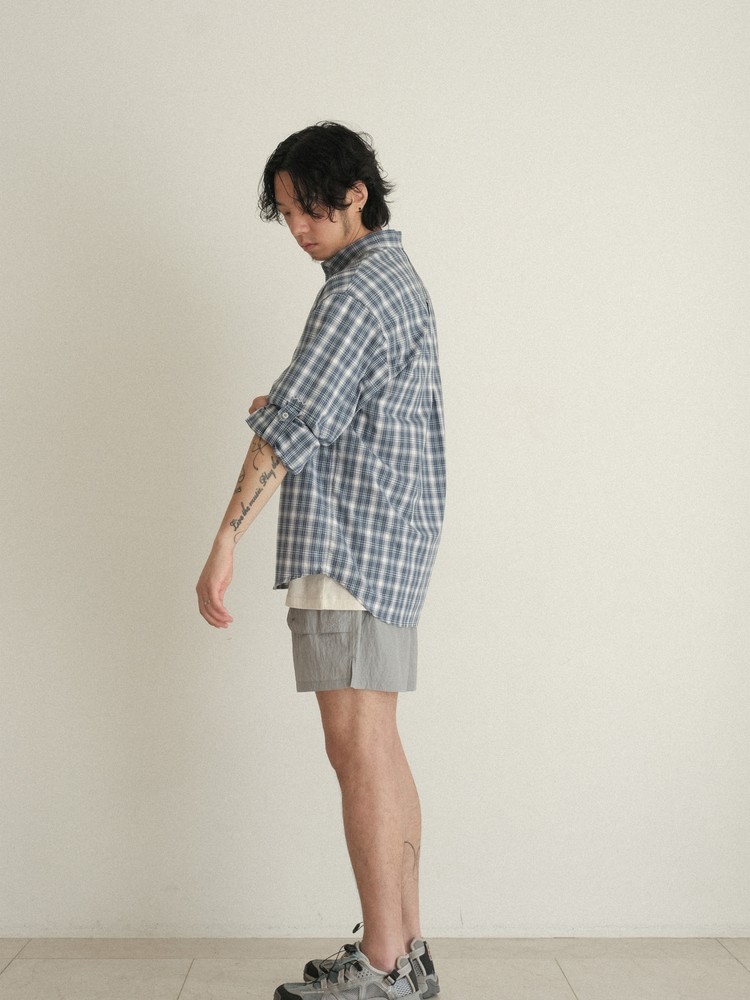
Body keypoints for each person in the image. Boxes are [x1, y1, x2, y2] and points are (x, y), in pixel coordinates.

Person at [196, 122, 445, 1000]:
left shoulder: (353, 296)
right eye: (288, 212)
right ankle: (404, 953)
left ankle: (382, 965)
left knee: (358, 750)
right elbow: (349, 409)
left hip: (348, 544)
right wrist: (294, 403)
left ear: (356, 194)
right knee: (379, 746)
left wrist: (226, 536)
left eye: (309, 207)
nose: (299, 227)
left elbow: (291, 426)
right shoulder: (392, 279)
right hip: (390, 541)